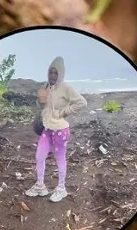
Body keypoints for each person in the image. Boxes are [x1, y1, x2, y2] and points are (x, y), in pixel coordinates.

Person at [25, 56, 87, 202]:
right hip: (47, 129)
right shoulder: (47, 86)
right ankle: (40, 186)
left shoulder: (66, 88)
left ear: (61, 74)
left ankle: (61, 188)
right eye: (51, 72)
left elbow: (82, 102)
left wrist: (63, 112)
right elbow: (44, 108)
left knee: (60, 159)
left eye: (55, 73)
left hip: (61, 130)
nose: (52, 75)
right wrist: (40, 101)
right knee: (39, 156)